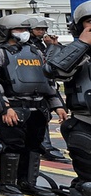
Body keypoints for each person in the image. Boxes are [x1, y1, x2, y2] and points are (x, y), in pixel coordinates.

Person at [0, 14, 65, 196]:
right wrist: (4, 109)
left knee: (34, 146)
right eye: (19, 30)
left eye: (26, 30)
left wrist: (58, 106)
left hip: (38, 107)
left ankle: (28, 182)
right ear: (6, 31)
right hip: (14, 107)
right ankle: (7, 184)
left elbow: (48, 81)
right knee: (11, 146)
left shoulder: (36, 52)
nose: (24, 33)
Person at [44, 0, 91, 196]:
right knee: (88, 183)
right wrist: (82, 44)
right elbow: (53, 70)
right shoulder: (75, 54)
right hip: (84, 123)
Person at [26, 15, 71, 163]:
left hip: (47, 85)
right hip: (31, 86)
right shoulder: (28, 45)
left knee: (45, 115)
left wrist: (56, 45)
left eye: (44, 29)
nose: (42, 32)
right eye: (38, 29)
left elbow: (62, 60)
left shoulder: (42, 43)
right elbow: (46, 63)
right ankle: (45, 146)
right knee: (40, 115)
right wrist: (52, 47)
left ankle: (43, 145)